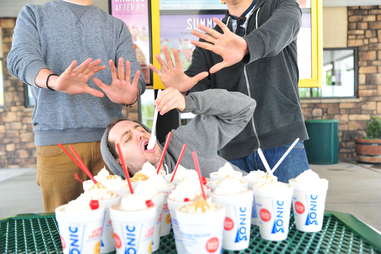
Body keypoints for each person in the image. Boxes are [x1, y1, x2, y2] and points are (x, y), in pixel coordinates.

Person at [7, 0, 145, 212]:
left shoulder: (115, 26)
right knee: (62, 228)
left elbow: (134, 75)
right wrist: (53, 80)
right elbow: (20, 58)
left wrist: (131, 92)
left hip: (112, 145)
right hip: (57, 141)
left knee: (119, 221)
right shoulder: (34, 14)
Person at [150, 0, 309, 182]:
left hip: (283, 141)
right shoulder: (211, 39)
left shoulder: (280, 6)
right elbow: (202, 90)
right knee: (236, 210)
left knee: (295, 209)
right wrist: (184, 88)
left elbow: (281, 30)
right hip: (232, 151)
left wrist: (246, 46)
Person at [100, 88, 255, 177]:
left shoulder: (183, 142)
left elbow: (244, 107)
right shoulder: (130, 200)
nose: (140, 134)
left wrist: (189, 102)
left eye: (140, 129)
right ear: (119, 162)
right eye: (127, 138)